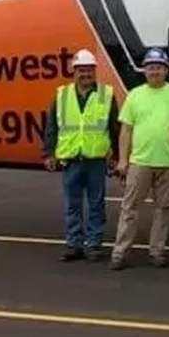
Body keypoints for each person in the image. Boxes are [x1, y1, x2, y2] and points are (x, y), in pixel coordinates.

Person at [110, 48, 169, 271]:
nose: (155, 71)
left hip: (168, 162)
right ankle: (120, 252)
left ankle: (157, 251)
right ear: (144, 71)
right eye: (151, 67)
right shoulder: (135, 95)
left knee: (163, 209)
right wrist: (123, 160)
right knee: (130, 208)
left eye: (159, 67)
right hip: (140, 162)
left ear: (166, 70)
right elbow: (125, 130)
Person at [41, 48, 119, 263]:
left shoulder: (107, 94)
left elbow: (114, 128)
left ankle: (93, 245)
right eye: (81, 70)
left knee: (96, 205)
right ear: (74, 72)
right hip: (71, 160)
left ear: (95, 71)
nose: (85, 74)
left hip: (96, 159)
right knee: (72, 205)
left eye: (89, 70)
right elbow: (51, 127)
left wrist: (117, 157)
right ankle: (74, 244)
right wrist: (48, 153)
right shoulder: (61, 95)